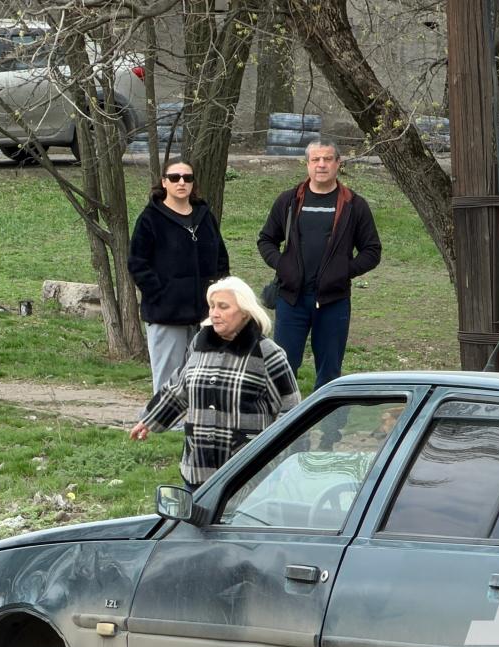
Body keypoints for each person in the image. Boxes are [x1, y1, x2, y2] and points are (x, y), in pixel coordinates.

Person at [129, 277, 300, 488]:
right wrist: (148, 420)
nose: (214, 313)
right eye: (211, 306)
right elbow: (179, 390)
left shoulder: (267, 354)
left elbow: (291, 410)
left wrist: (275, 457)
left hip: (246, 473)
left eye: (223, 307)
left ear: (245, 311)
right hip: (197, 467)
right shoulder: (199, 345)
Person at [256, 141, 382, 391]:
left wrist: (343, 272)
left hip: (333, 301)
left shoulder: (353, 205)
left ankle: (330, 429)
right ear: (308, 164)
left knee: (329, 371)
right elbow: (266, 239)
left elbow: (372, 251)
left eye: (327, 159)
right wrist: (283, 265)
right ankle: (282, 425)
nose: (321, 165)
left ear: (338, 164)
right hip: (292, 300)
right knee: (282, 368)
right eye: (316, 160)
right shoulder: (289, 201)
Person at [126, 160, 229, 393]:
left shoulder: (204, 216)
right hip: (167, 314)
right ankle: (167, 427)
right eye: (175, 177)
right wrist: (161, 294)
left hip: (205, 314)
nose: (181, 182)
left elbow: (221, 259)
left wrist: (220, 295)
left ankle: (194, 426)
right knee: (169, 380)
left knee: (201, 379)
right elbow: (137, 263)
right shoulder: (150, 219)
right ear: (164, 182)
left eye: (187, 178)